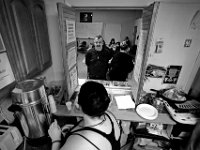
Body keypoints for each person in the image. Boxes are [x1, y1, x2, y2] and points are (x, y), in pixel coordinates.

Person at [48, 81, 122, 150]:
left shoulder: (79, 144)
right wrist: (75, 129)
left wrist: (56, 139)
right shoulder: (109, 115)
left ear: (79, 106)